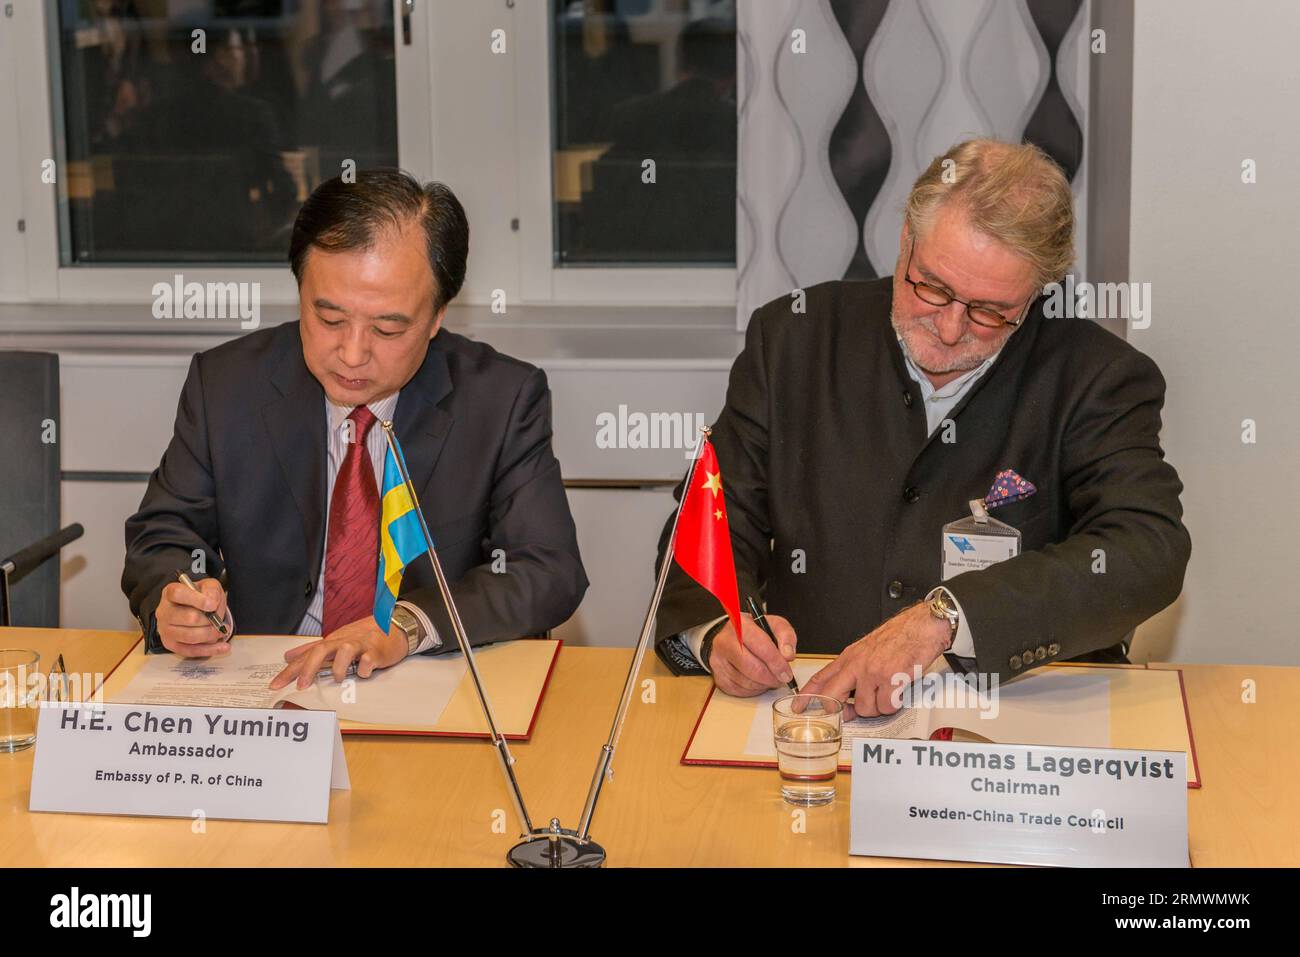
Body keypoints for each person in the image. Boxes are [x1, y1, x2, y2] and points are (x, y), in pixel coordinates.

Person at [652, 138, 1191, 716]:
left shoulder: (1097, 377)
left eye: (990, 311)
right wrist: (718, 633)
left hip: (1012, 718)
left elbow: (1146, 550)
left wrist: (947, 616)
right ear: (905, 239)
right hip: (811, 705)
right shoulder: (793, 340)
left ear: (1036, 295)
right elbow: (710, 522)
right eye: (932, 286)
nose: (952, 328)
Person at [122, 169, 587, 688]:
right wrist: (178, 596)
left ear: (437, 317)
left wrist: (409, 626)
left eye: (388, 328)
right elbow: (162, 534)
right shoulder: (228, 385)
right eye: (329, 320)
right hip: (267, 682)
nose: (352, 353)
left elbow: (547, 570)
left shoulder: (501, 399)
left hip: (421, 678)